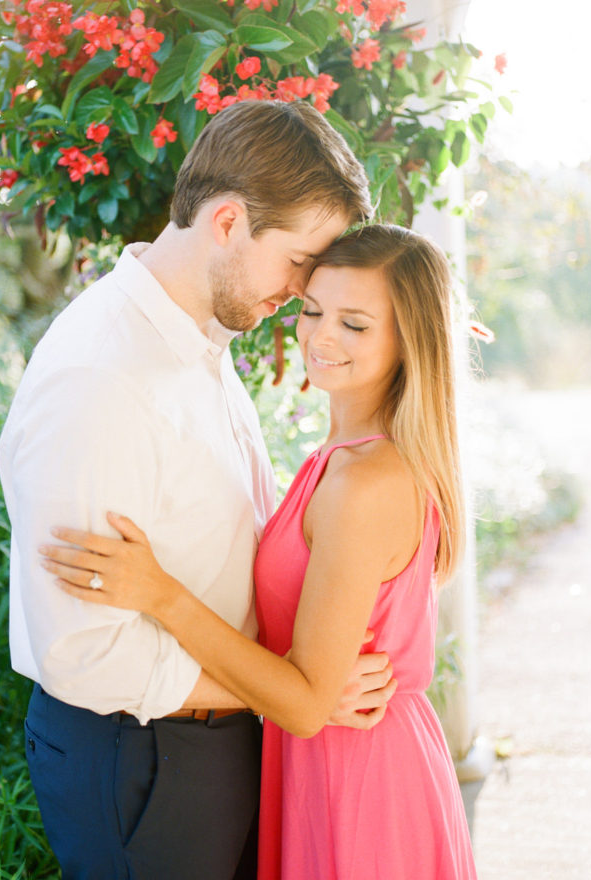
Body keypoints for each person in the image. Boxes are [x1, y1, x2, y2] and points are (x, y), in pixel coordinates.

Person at [0, 100, 397, 880]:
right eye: (297, 262)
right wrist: (292, 693)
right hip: (142, 759)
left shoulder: (200, 340)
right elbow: (86, 654)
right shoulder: (101, 377)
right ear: (225, 222)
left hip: (210, 739)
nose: (300, 292)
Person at [40, 222, 478, 879]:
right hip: (328, 761)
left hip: (361, 780)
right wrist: (303, 681)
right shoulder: (341, 461)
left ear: (407, 341)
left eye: (355, 324)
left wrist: (162, 595)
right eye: (313, 310)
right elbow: (307, 677)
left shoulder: (366, 483)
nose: (321, 337)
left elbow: (303, 704)